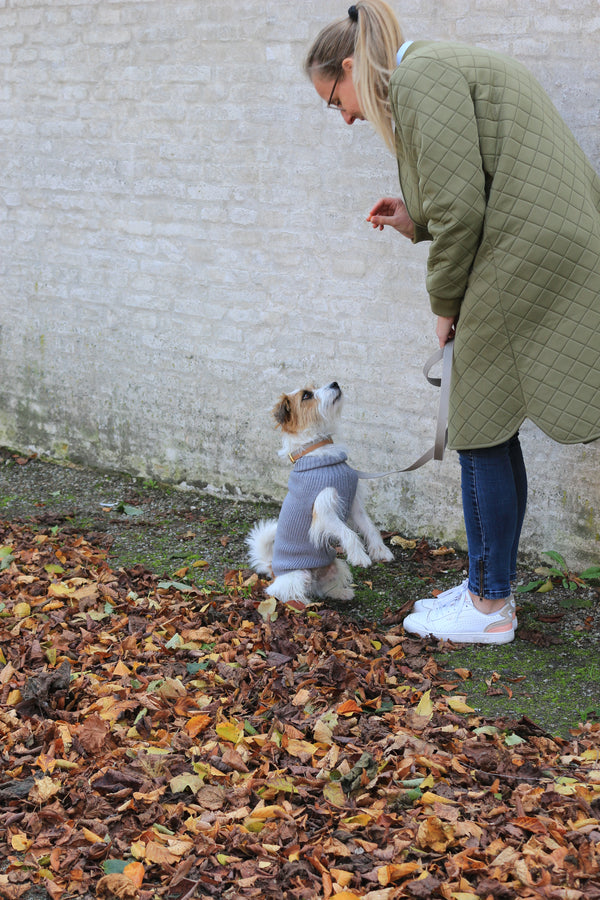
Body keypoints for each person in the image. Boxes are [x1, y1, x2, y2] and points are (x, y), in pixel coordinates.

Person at [304, 0, 600, 644]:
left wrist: (444, 306)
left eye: (336, 100)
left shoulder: (418, 79)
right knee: (489, 423)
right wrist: (416, 218)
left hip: (523, 251)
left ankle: (489, 607)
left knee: (477, 428)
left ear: (351, 67)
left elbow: (464, 211)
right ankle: (485, 590)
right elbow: (469, 187)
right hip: (541, 243)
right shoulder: (433, 69)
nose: (347, 116)